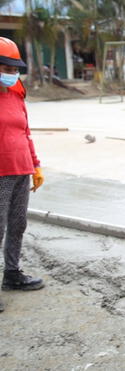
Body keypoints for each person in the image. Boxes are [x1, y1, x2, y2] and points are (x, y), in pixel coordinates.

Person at [0, 37, 46, 313]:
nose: (12, 74)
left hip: (21, 169)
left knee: (17, 224)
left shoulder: (16, 90)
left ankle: (12, 274)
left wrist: (35, 164)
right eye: (6, 68)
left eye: (15, 68)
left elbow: (24, 131)